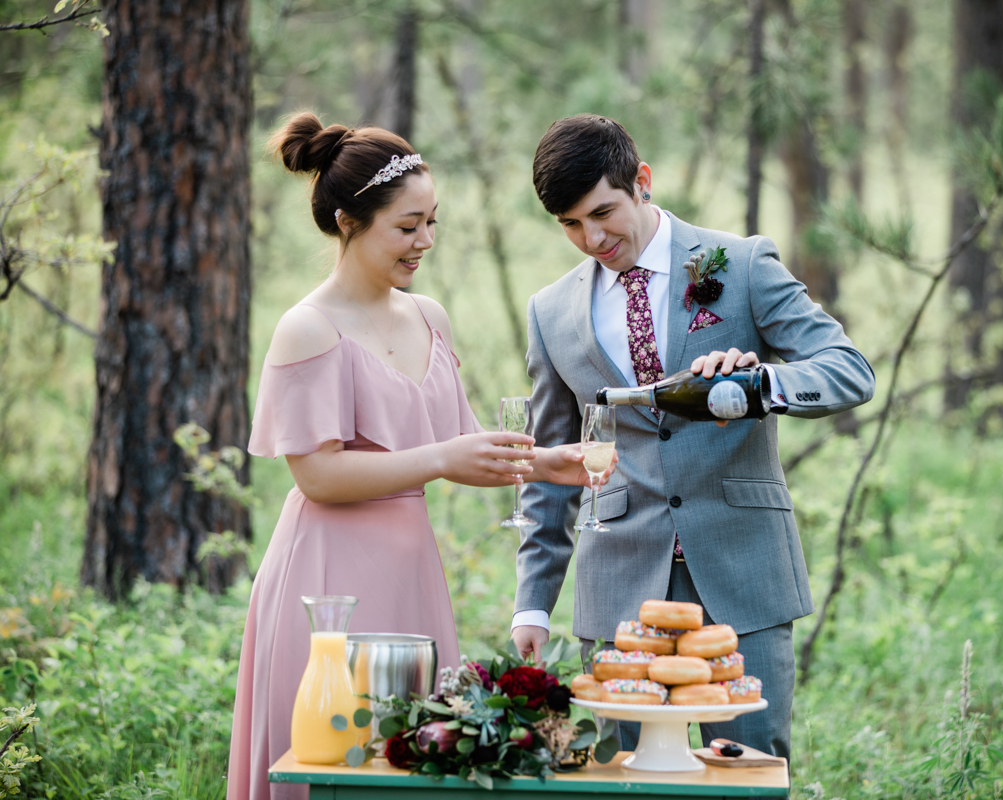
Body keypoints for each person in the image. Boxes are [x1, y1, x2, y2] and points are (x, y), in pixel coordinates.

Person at [226, 113, 603, 800]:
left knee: (414, 763)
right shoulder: (309, 328)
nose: (424, 241)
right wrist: (437, 460)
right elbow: (316, 474)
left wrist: (550, 462)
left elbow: (462, 442)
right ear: (347, 221)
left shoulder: (428, 316)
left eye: (432, 222)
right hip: (328, 579)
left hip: (411, 574)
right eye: (407, 227)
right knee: (335, 761)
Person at [511, 115, 875, 759]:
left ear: (641, 181)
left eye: (603, 212)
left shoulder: (739, 264)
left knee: (750, 773)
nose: (592, 238)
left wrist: (761, 385)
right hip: (618, 583)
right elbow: (553, 465)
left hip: (743, 571)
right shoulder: (550, 313)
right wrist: (532, 604)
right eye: (570, 224)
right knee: (624, 774)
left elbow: (849, 372)